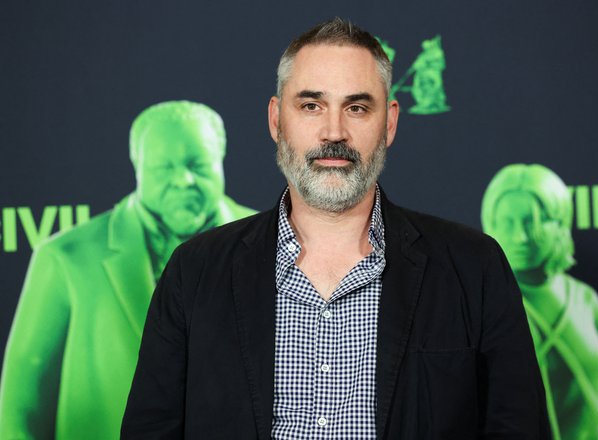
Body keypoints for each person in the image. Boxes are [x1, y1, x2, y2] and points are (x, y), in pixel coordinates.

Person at [122, 19, 549, 438]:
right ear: (276, 121)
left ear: (390, 123)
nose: (334, 132)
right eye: (311, 105)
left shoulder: (474, 268)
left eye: (357, 107)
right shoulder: (194, 273)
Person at [0, 101, 256, 439]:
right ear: (138, 167)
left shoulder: (273, 245)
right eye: (163, 167)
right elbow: (20, 407)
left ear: (220, 161)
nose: (183, 180)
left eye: (198, 164)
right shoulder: (65, 257)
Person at [481, 163, 598, 439]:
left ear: (560, 222)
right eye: (507, 222)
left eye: (534, 220)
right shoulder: (485, 305)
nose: (522, 236)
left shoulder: (584, 299)